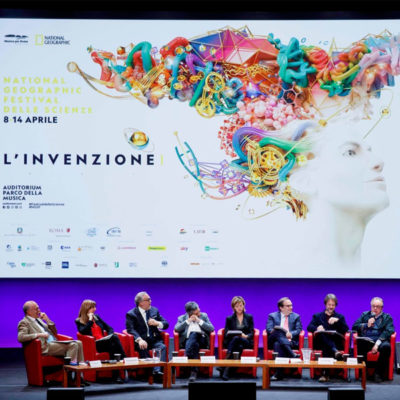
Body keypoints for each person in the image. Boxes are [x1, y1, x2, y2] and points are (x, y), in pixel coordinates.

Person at [17, 300, 88, 386]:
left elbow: (55, 332)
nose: (39, 310)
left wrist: (47, 320)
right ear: (29, 311)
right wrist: (39, 334)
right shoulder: (24, 322)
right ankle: (68, 378)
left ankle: (79, 377)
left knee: (79, 343)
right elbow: (21, 337)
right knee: (73, 345)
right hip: (44, 346)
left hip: (53, 343)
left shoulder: (38, 320)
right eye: (36, 309)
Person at [76, 299, 126, 383]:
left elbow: (109, 328)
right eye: (92, 307)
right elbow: (83, 331)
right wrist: (90, 320)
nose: (95, 309)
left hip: (104, 342)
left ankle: (116, 376)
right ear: (87, 308)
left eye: (95, 307)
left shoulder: (97, 317)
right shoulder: (79, 320)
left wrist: (109, 336)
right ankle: (124, 357)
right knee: (114, 338)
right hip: (94, 344)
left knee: (113, 346)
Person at [125, 291, 169, 380]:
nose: (150, 301)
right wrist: (139, 339)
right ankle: (151, 373)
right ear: (141, 303)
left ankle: (156, 371)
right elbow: (130, 329)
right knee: (143, 346)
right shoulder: (131, 314)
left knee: (162, 347)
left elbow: (166, 324)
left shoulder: (154, 310)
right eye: (148, 299)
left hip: (154, 340)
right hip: (142, 340)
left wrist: (157, 323)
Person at [307, 293, 349, 382]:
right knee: (322, 335)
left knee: (326, 345)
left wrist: (338, 321)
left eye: (333, 305)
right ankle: (334, 351)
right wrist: (317, 328)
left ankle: (325, 374)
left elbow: (346, 329)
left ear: (335, 305)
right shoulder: (317, 316)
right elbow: (309, 327)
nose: (331, 307)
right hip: (321, 342)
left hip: (335, 342)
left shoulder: (340, 317)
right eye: (329, 305)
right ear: (325, 304)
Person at [352, 297, 395, 383]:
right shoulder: (365, 315)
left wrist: (377, 344)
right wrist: (366, 325)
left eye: (377, 306)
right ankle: (364, 372)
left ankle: (378, 373)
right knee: (360, 344)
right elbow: (354, 326)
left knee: (386, 347)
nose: (375, 308)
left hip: (380, 341)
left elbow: (389, 330)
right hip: (367, 340)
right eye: (373, 306)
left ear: (381, 308)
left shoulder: (387, 317)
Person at [175, 301, 214, 382]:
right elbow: (177, 329)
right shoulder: (182, 318)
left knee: (194, 334)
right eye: (197, 311)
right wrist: (188, 321)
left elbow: (211, 328)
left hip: (202, 339)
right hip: (188, 342)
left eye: (198, 309)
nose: (199, 310)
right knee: (195, 344)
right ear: (191, 313)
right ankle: (193, 372)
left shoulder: (204, 316)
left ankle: (186, 354)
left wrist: (199, 321)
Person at [219, 296, 254, 381]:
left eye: (241, 305)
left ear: (244, 305)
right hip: (235, 343)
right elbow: (226, 333)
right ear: (233, 307)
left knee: (237, 339)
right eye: (237, 306)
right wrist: (235, 334)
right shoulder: (229, 318)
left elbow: (252, 332)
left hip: (246, 341)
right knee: (238, 345)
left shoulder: (249, 317)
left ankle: (225, 362)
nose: (239, 308)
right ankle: (227, 371)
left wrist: (246, 336)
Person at [266, 297, 302, 380]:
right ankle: (292, 354)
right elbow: (269, 329)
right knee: (278, 331)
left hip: (289, 342)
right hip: (273, 339)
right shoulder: (272, 316)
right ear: (281, 308)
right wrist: (280, 332)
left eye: (291, 305)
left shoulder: (296, 316)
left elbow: (298, 330)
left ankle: (279, 373)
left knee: (278, 344)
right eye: (288, 306)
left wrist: (290, 334)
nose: (291, 307)